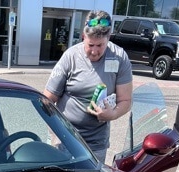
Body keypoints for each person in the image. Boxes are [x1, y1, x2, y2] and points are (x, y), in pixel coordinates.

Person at [44, 10, 132, 163]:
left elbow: (125, 101)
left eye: (100, 45)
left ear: (108, 38)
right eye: (90, 44)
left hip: (96, 141)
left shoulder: (119, 58)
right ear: (83, 37)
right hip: (66, 137)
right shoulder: (70, 57)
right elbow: (48, 98)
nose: (94, 51)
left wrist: (112, 114)